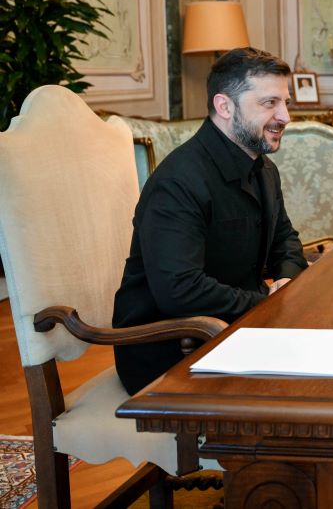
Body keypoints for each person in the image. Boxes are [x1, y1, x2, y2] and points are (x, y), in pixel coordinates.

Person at [113, 47, 309, 395]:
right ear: (225, 106)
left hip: (234, 331)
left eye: (285, 102)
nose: (285, 116)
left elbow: (286, 242)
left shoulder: (264, 169)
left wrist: (285, 281)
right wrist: (267, 302)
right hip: (170, 352)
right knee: (307, 391)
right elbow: (180, 290)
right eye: (270, 103)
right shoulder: (179, 182)